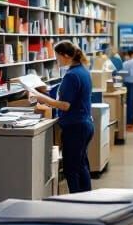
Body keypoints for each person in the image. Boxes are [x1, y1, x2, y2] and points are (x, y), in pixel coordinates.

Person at [29, 40, 93, 194]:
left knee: (72, 168)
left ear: (65, 56)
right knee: (81, 163)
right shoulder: (81, 71)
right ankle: (87, 197)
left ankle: (77, 201)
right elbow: (65, 93)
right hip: (84, 124)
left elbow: (65, 105)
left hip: (75, 127)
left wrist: (40, 97)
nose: (56, 60)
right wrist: (46, 90)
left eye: (57, 56)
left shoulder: (72, 75)